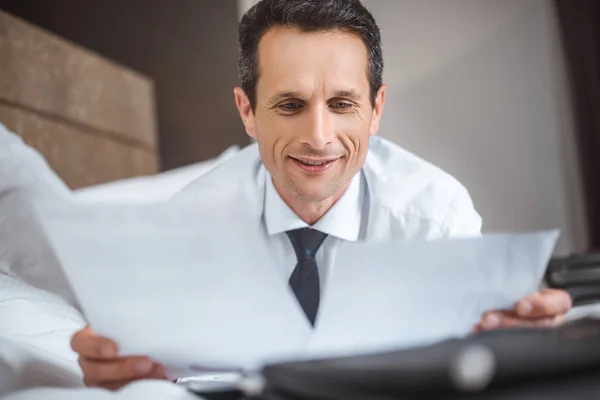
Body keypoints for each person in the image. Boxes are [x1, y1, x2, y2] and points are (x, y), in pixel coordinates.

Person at [70, 0, 573, 390]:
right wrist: (121, 365)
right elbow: (158, 366)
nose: (319, 136)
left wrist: (515, 344)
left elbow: (478, 353)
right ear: (247, 112)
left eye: (342, 103)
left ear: (376, 110)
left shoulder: (436, 219)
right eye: (290, 104)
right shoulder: (189, 226)